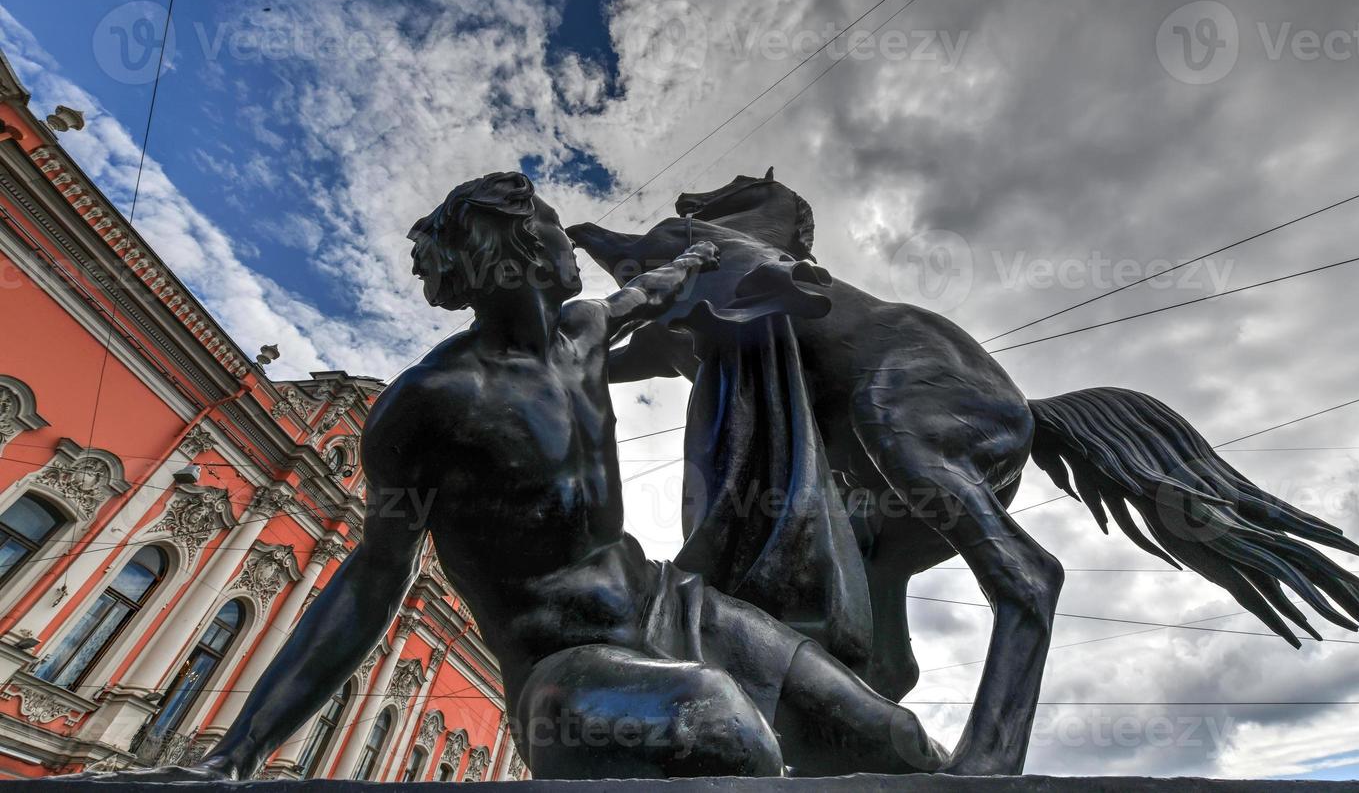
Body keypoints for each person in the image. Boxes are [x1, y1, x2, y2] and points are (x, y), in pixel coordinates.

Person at [101, 172, 944, 781]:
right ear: (513, 247)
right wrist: (234, 759)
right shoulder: (428, 406)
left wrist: (713, 267)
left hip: (670, 608)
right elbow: (369, 582)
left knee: (891, 739)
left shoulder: (580, 334)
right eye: (549, 222)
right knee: (721, 729)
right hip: (567, 672)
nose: (568, 236)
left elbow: (646, 294)